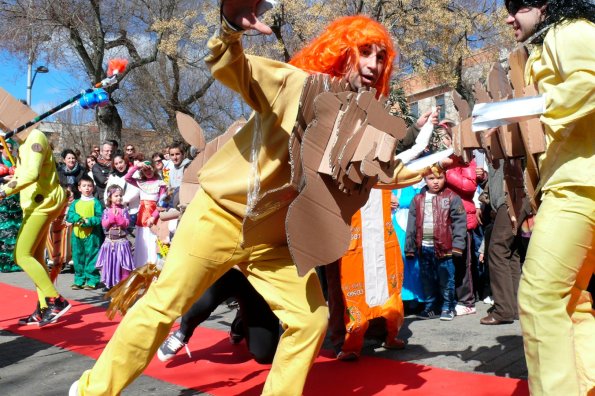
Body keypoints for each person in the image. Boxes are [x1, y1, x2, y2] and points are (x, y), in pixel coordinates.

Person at [70, 5, 425, 395]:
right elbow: (233, 68)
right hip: (218, 217)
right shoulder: (296, 84)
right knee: (161, 307)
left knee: (309, 320)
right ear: (342, 51)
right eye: (365, 51)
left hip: (272, 243)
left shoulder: (358, 122)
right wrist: (229, 29)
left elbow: (370, 176)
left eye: (381, 56)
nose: (374, 63)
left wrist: (425, 170)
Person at [503, 1, 595, 395]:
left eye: (517, 5)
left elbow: (590, 80)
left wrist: (530, 108)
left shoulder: (568, 30)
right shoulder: (549, 41)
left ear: (543, 4)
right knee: (570, 300)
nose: (509, 17)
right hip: (572, 182)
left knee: (540, 297)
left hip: (578, 184)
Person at [0, 128, 69, 327]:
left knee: (21, 256)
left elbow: (30, 175)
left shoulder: (34, 138)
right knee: (36, 258)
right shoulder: (24, 143)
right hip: (36, 204)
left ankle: (55, 300)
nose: (7, 136)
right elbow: (22, 175)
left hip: (42, 204)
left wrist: (3, 192)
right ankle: (44, 307)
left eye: (7, 129)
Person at [158, 268, 280, 365]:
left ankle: (241, 323)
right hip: (224, 267)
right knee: (204, 302)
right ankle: (183, 332)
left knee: (265, 355)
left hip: (257, 275)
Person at [405, 171, 467, 321]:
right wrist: (410, 247)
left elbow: (460, 222)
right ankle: (431, 306)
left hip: (445, 247)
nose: (435, 182)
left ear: (445, 178)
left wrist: (458, 245)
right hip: (424, 246)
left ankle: (448, 306)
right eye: (431, 178)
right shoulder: (418, 199)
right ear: (425, 179)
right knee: (427, 279)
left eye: (439, 178)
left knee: (446, 278)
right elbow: (412, 224)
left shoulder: (452, 197)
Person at [124, 160, 167, 269]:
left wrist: (154, 216)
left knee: (152, 242)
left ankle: (153, 267)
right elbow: (127, 178)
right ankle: (141, 266)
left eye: (149, 169)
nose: (148, 172)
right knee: (142, 242)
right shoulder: (140, 182)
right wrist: (136, 166)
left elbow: (162, 202)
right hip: (142, 217)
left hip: (154, 219)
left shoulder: (160, 183)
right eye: (145, 170)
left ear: (154, 168)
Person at [65, 175, 104, 290]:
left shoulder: (96, 203)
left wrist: (89, 221)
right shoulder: (75, 203)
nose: (87, 188)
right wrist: (77, 218)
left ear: (93, 188)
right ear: (79, 188)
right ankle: (79, 280)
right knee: (78, 257)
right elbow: (70, 215)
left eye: (89, 186)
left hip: (92, 235)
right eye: (84, 186)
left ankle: (92, 280)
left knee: (92, 256)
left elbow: (100, 217)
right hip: (77, 235)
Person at [95, 185, 134, 291]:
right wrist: (112, 218)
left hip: (121, 242)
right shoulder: (106, 211)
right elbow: (104, 224)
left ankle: (122, 282)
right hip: (110, 242)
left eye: (120, 195)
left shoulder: (124, 210)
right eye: (116, 195)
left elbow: (126, 223)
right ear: (110, 197)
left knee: (122, 263)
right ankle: (110, 283)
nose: (119, 198)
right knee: (110, 263)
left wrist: (119, 218)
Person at [0, 139, 23, 273]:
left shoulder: (17, 162)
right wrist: (3, 179)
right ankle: (4, 263)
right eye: (6, 147)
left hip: (15, 199)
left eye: (11, 148)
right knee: (4, 231)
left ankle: (15, 261)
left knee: (15, 230)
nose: (9, 150)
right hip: (3, 200)